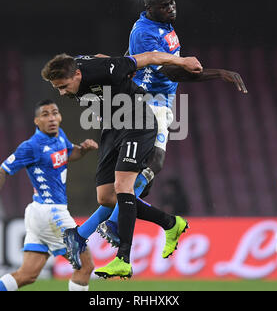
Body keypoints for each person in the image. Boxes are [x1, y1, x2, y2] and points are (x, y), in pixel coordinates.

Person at [97, 0, 248, 246]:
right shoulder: (144, 32)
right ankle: (112, 224)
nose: (171, 8)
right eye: (164, 5)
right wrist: (219, 74)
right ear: (150, 8)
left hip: (158, 103)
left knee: (143, 176)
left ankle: (95, 227)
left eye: (172, 3)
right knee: (150, 167)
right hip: (148, 103)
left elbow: (133, 57)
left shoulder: (162, 28)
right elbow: (171, 72)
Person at [41, 51, 203, 278]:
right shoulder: (74, 67)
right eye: (57, 87)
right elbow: (97, 56)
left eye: (64, 86)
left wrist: (182, 61)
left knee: (123, 186)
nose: (61, 92)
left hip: (138, 121)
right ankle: (170, 223)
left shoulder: (106, 69)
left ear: (77, 74)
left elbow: (151, 56)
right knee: (106, 197)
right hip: (112, 126)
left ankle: (123, 259)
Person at [0, 99, 98, 291]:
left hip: (38, 213)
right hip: (51, 213)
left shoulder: (60, 136)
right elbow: (2, 171)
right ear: (36, 121)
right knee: (85, 265)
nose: (52, 118)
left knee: (27, 275)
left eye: (55, 113)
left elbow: (70, 154)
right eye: (45, 115)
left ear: (60, 116)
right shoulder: (31, 146)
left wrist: (84, 150)